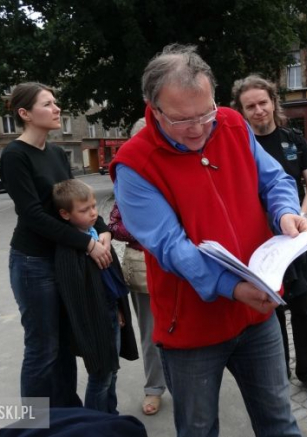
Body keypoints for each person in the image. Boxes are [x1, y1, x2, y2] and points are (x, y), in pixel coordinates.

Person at [111, 44, 305, 436]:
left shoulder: (232, 124)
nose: (199, 129)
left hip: (256, 314)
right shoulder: (134, 164)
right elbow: (170, 247)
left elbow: (275, 179)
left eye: (206, 113)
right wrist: (231, 287)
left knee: (279, 422)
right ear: (153, 107)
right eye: (183, 120)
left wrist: (285, 211)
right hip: (192, 327)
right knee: (198, 429)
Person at [0, 82, 114, 407]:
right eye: (47, 104)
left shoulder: (55, 153)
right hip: (33, 263)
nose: (57, 108)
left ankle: (65, 417)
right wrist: (87, 245)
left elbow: (75, 202)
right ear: (25, 113)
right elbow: (33, 215)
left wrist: (102, 228)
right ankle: (35, 424)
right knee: (43, 347)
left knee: (65, 342)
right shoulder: (15, 156)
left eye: (55, 102)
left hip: (63, 259)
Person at [231, 75, 307, 401]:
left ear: (273, 102)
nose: (258, 110)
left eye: (263, 102)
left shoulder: (293, 139)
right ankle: (277, 371)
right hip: (260, 243)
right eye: (250, 106)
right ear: (242, 111)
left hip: (296, 237)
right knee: (269, 309)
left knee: (305, 307)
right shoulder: (240, 148)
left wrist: (302, 214)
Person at [52, 179, 138, 414]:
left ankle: (111, 416)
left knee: (112, 370)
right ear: (65, 214)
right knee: (100, 376)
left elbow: (110, 279)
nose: (93, 213)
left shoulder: (96, 235)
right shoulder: (71, 249)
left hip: (110, 312)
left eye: (93, 206)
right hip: (94, 322)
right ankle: (96, 423)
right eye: (84, 209)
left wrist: (119, 309)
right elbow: (76, 299)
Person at [107, 118, 167, 416]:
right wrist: (151, 230)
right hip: (143, 265)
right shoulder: (127, 180)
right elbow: (114, 224)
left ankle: (188, 381)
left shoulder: (174, 174)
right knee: (151, 331)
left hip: (181, 266)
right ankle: (154, 387)